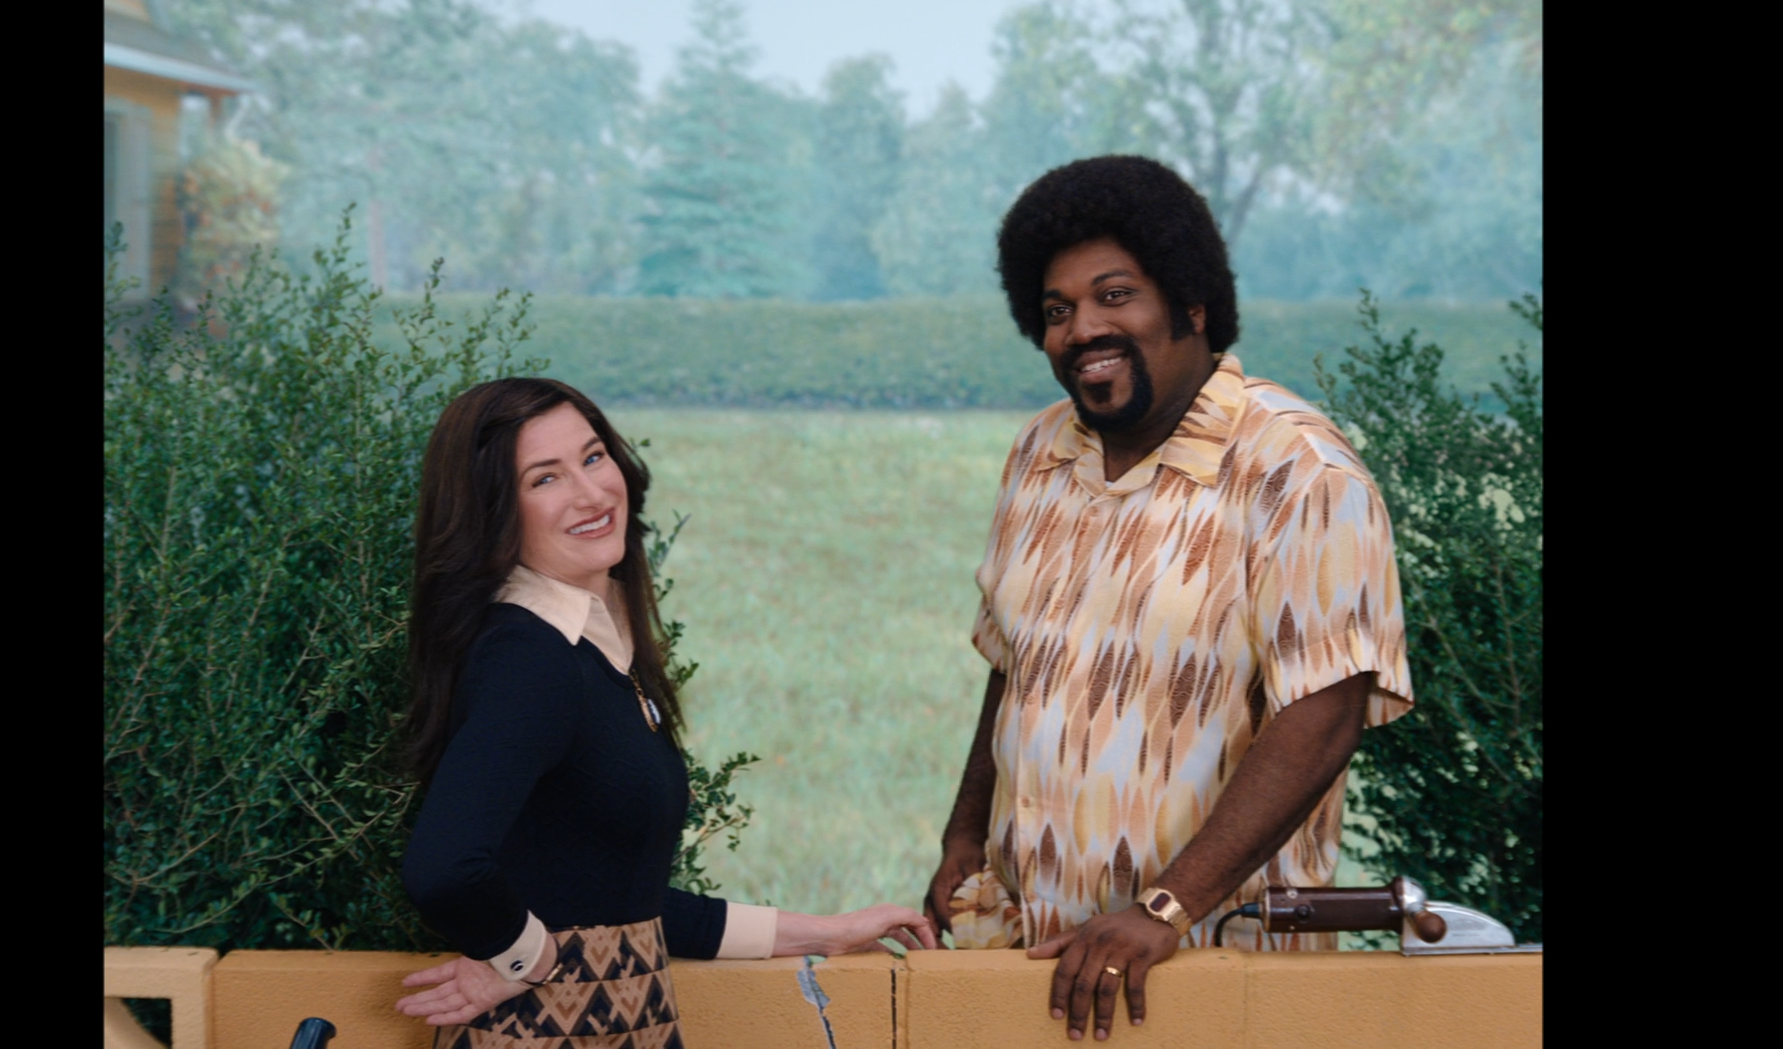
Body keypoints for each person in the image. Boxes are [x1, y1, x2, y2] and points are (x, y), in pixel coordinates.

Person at [921, 156, 1415, 1042]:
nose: (1084, 328)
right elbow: (1015, 664)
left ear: (1191, 303)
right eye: (1057, 310)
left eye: (1116, 295)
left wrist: (1165, 908)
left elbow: (1325, 713)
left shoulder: (1299, 470)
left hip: (1212, 970)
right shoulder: (1038, 453)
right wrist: (966, 834)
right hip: (1040, 961)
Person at [396, 378, 936, 1047]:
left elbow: (625, 905)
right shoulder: (532, 658)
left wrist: (827, 932)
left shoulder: (595, 648)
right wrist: (525, 957)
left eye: (594, 457)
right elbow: (443, 868)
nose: (592, 493)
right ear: (493, 511)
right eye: (545, 478)